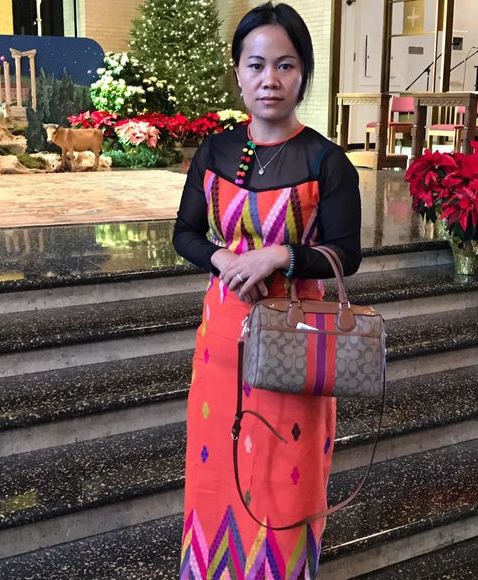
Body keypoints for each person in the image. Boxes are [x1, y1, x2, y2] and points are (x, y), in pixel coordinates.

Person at [173, 2, 361, 577]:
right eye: (256, 65)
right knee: (216, 470)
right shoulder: (215, 152)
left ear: (303, 72)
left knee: (286, 477)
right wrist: (225, 258)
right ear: (238, 72)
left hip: (293, 344)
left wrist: (282, 255)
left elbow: (346, 255)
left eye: (285, 65)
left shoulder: (327, 161)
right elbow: (184, 234)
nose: (269, 80)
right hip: (222, 344)